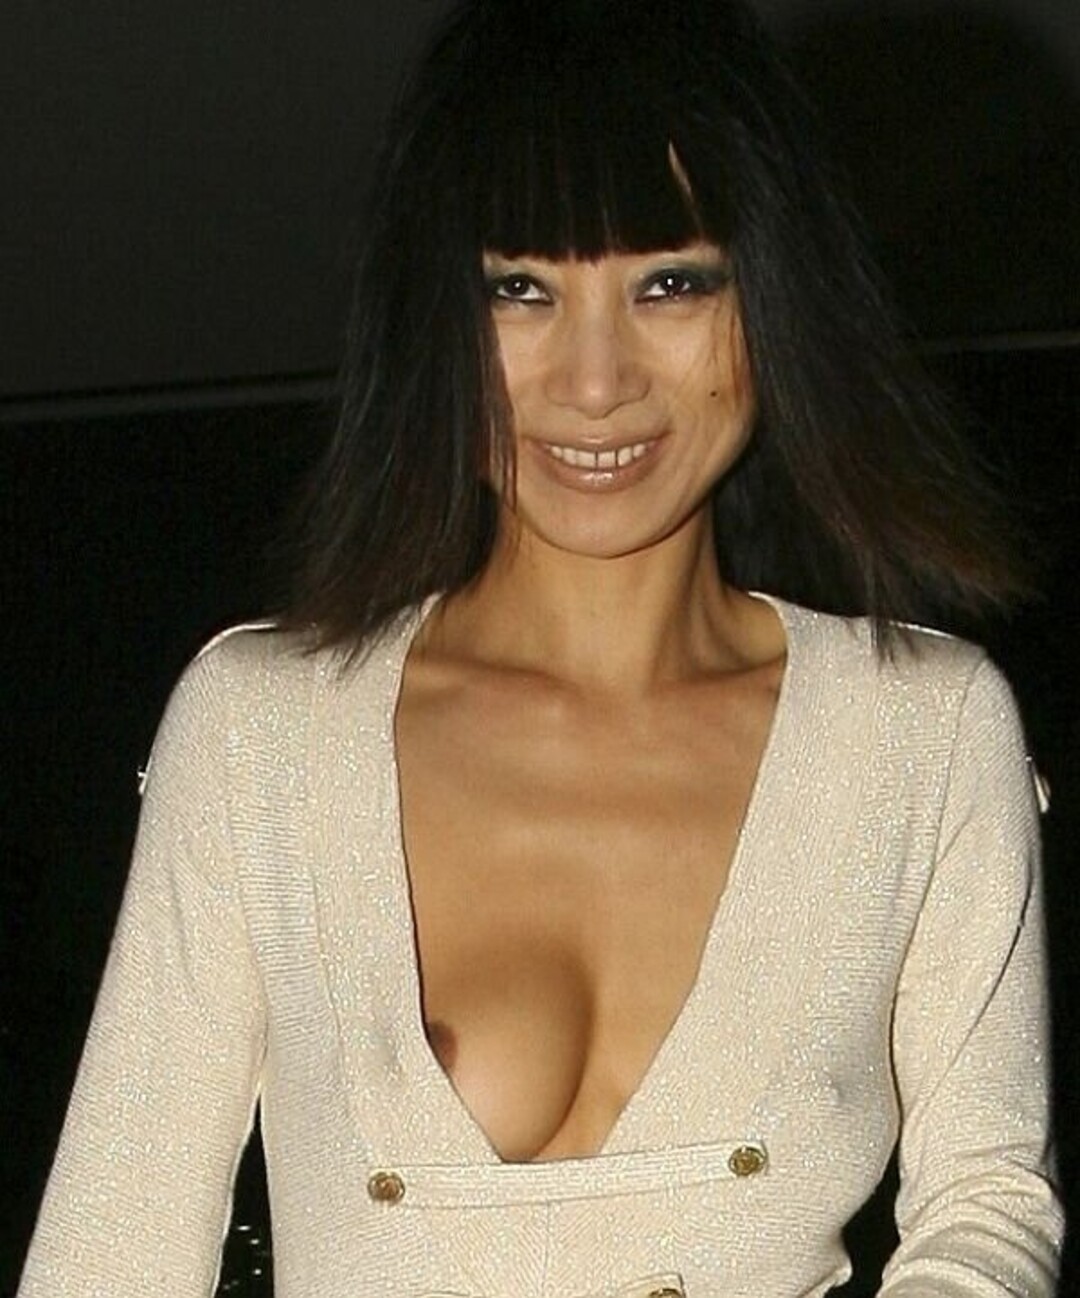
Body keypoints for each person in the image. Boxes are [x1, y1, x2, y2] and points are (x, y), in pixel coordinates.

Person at [18, 0, 1064, 1295]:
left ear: (774, 301)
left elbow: (987, 1203)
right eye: (520, 289)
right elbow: (110, 1251)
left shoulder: (923, 732)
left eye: (670, 282)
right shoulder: (264, 733)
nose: (595, 380)